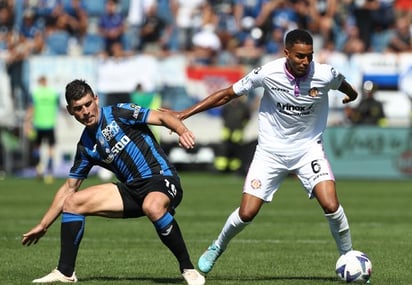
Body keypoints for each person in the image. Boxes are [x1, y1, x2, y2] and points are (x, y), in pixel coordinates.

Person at [162, 29, 359, 274]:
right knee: (247, 212)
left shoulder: (324, 74)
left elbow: (344, 85)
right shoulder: (268, 73)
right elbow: (226, 95)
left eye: (309, 56)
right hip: (270, 153)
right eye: (299, 56)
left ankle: (348, 256)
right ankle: (217, 246)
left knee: (331, 204)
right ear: (286, 53)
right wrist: (184, 114)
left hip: (308, 150)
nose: (305, 62)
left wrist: (352, 96)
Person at [21, 79, 205, 285]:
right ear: (70, 111)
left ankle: (188, 269)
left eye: (88, 104)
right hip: (131, 190)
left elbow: (162, 116)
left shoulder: (119, 112)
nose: (85, 111)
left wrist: (182, 131)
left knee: (152, 206)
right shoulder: (86, 146)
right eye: (78, 108)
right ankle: (65, 272)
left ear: (96, 99)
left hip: (161, 178)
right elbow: (68, 188)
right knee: (72, 203)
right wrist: (43, 225)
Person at [24, 76, 59, 183]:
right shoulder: (53, 93)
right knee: (51, 149)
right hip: (50, 124)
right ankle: (49, 171)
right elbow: (58, 106)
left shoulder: (36, 94)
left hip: (39, 124)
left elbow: (31, 109)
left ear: (39, 82)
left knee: (37, 147)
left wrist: (27, 122)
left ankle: (38, 168)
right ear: (46, 82)